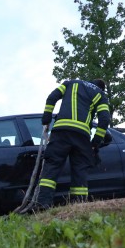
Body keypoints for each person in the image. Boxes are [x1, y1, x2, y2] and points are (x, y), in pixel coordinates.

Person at [32, 78, 111, 210]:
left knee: (52, 167)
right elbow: (105, 119)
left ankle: (42, 204)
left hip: (60, 132)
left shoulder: (71, 83)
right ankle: (78, 206)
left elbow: (52, 97)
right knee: (80, 171)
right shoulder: (100, 94)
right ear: (101, 87)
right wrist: (96, 141)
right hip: (82, 136)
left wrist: (46, 118)